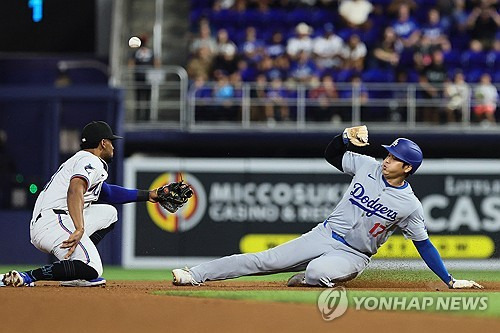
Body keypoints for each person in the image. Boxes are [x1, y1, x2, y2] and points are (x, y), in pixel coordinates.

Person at [171, 125, 483, 290]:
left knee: (318, 272)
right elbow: (332, 154)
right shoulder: (367, 166)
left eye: (394, 157)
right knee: (263, 260)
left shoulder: (409, 205)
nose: (387, 158)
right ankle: (194, 275)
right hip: (324, 234)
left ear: (408, 168)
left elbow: (424, 246)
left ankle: (306, 279)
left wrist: (450, 280)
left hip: (354, 255)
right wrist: (344, 137)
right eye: (388, 153)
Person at [0, 121, 168, 287]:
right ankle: (27, 276)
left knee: (109, 214)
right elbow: (75, 190)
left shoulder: (83, 160)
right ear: (103, 143)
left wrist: (149, 195)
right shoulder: (91, 161)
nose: (113, 147)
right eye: (111, 142)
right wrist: (80, 228)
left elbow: (108, 193)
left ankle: (75, 272)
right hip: (54, 220)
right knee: (93, 267)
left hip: (54, 218)